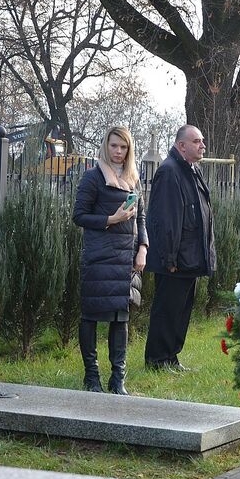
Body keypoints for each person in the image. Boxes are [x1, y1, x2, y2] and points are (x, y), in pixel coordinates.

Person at [72, 126, 148, 395]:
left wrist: (143, 248)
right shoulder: (93, 177)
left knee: (120, 318)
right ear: (106, 146)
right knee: (90, 316)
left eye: (123, 147)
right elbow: (79, 216)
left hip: (126, 258)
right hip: (99, 257)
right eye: (114, 145)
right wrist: (111, 219)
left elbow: (141, 217)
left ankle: (118, 380)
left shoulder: (133, 179)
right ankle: (91, 377)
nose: (118, 151)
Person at [144, 125, 216, 371]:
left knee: (181, 310)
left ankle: (171, 357)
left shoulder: (191, 170)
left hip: (189, 257)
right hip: (175, 259)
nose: (202, 145)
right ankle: (157, 360)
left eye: (202, 140)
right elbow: (165, 220)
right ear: (181, 145)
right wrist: (169, 259)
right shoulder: (169, 171)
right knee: (167, 310)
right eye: (197, 141)